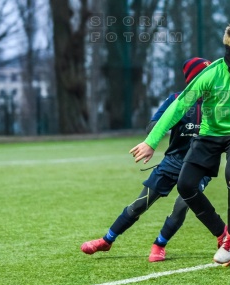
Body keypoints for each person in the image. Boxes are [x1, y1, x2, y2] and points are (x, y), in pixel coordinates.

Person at [130, 23, 230, 266]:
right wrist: (151, 142)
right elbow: (179, 106)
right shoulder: (209, 75)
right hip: (209, 135)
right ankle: (222, 231)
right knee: (185, 186)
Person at [81, 57, 218, 262]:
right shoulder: (176, 100)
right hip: (172, 162)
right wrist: (169, 121)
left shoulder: (218, 105)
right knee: (140, 204)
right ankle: (107, 240)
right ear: (193, 78)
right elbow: (151, 127)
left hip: (200, 166)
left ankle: (159, 244)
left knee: (182, 205)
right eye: (204, 75)